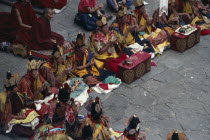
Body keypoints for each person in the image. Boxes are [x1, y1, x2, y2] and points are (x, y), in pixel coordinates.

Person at [1, 71, 39, 137]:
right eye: (15, 87)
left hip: (19, 113)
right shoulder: (6, 99)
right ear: (11, 90)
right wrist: (19, 117)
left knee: (35, 116)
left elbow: (24, 103)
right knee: (24, 131)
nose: (17, 88)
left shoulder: (16, 94)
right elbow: (7, 114)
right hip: (11, 117)